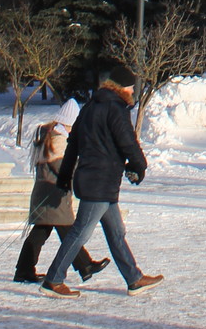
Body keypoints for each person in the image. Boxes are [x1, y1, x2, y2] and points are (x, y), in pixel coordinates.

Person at [41, 61, 163, 298]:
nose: (132, 92)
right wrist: (140, 166)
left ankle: (134, 279)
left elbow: (72, 145)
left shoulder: (88, 108)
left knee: (117, 232)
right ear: (122, 88)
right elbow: (127, 142)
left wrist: (65, 177)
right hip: (99, 183)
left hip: (99, 183)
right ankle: (54, 280)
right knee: (80, 232)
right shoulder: (115, 109)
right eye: (130, 88)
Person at [14, 121, 108, 284]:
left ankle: (24, 270)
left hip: (47, 194)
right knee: (66, 231)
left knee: (41, 233)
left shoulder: (50, 137)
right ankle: (84, 265)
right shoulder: (58, 141)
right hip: (52, 196)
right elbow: (66, 169)